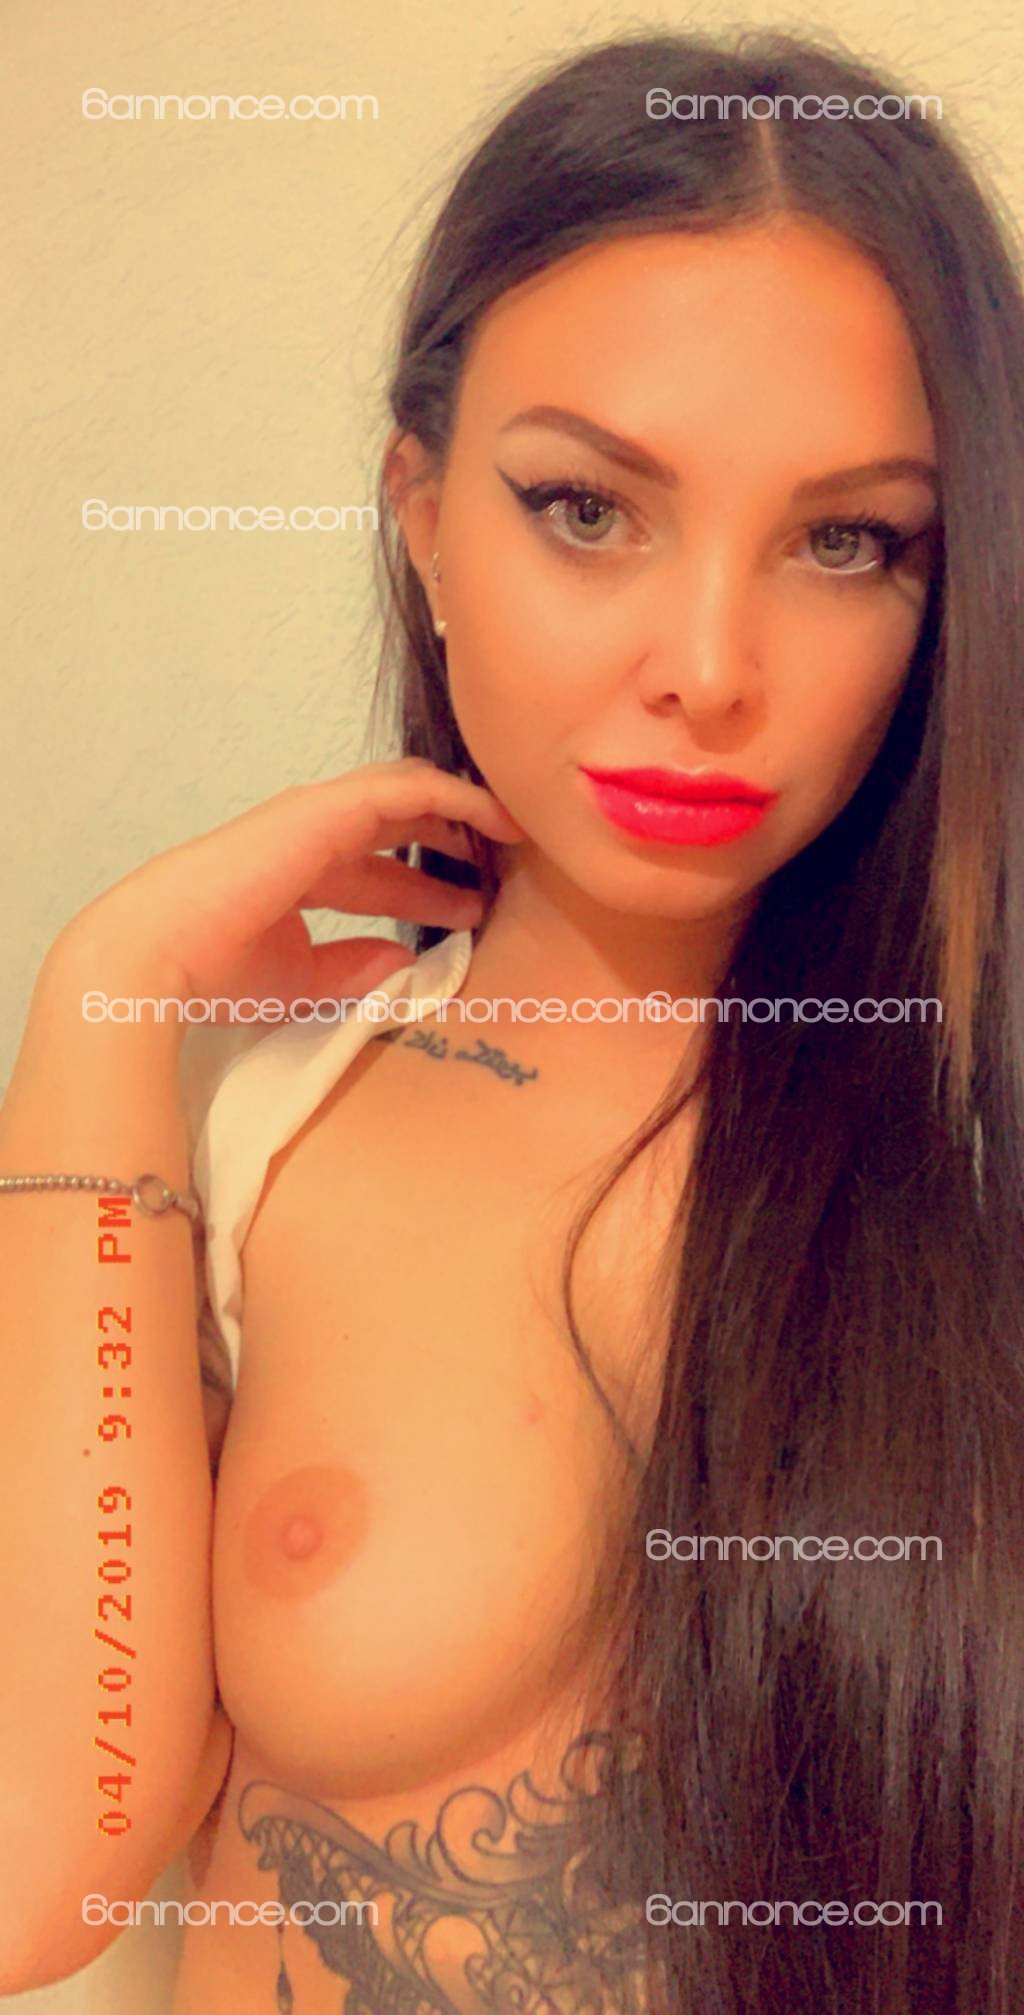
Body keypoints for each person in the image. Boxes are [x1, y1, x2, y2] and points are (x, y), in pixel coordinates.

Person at [2, 26, 1023, 2015]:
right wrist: (98, 1005)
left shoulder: (969, 1167)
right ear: (421, 511)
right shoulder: (246, 1127)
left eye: (844, 541)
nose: (707, 666)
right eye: (586, 507)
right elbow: (52, 1861)